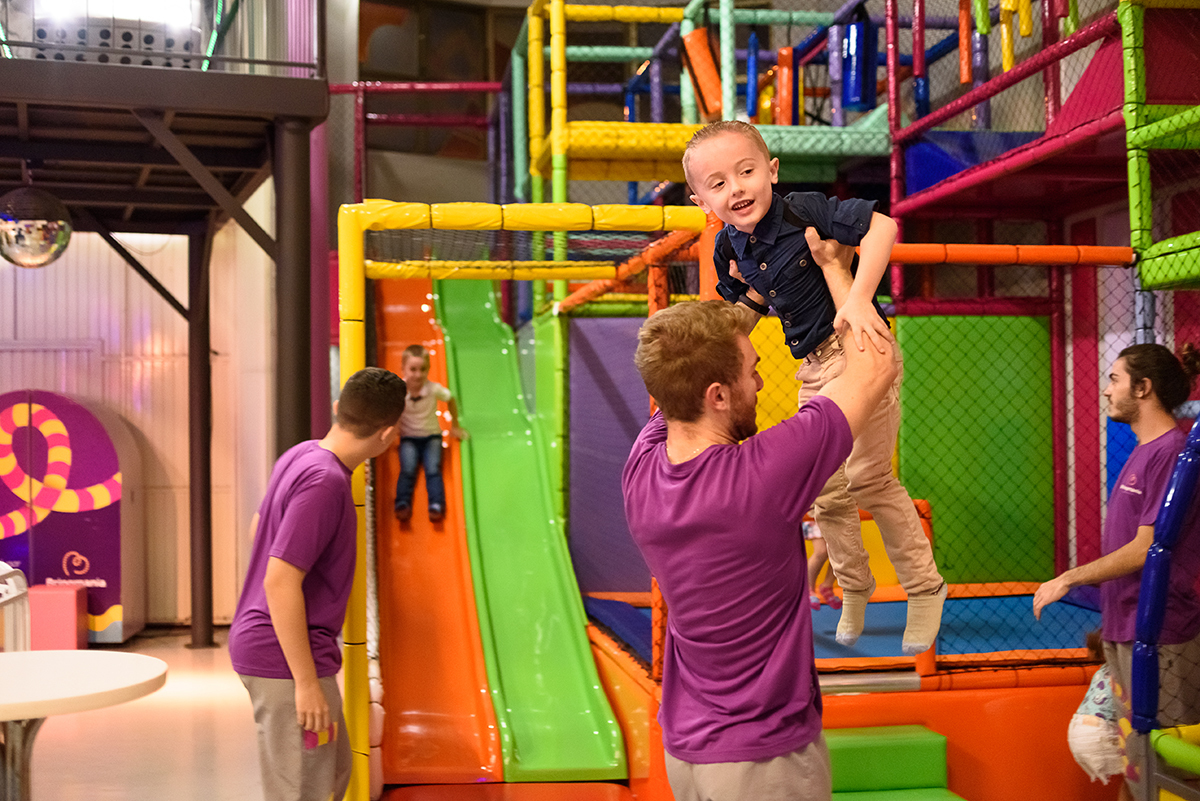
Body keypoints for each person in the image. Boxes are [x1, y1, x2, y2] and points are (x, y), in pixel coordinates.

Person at [681, 119, 946, 654]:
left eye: (747, 172)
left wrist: (856, 298)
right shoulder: (731, 248)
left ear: (771, 171)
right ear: (700, 199)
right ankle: (855, 587)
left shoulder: (805, 209)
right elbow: (750, 305)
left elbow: (884, 229)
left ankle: (925, 588)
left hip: (861, 352)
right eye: (717, 183)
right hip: (814, 369)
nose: (736, 188)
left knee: (869, 478)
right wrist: (712, 351)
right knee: (824, 492)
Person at [622, 288, 897, 801]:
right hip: (763, 761)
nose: (761, 380)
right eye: (752, 370)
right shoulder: (762, 476)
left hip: (686, 750)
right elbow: (877, 367)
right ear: (718, 396)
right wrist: (847, 283)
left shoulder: (642, 467)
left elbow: (682, 373)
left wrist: (743, 302)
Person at [229, 367, 406, 801]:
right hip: (285, 658)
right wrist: (305, 683)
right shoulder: (326, 483)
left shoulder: (302, 454)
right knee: (304, 788)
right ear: (386, 435)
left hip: (278, 648)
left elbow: (260, 529)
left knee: (332, 771)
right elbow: (280, 580)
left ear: (336, 410)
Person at [1033, 343, 1200, 801]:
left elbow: (1147, 548)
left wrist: (1069, 578)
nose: (1106, 390)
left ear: (1143, 388)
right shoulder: (1145, 451)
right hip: (1129, 626)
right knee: (1138, 757)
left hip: (1161, 631)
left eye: (1114, 379)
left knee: (1169, 763)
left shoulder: (1171, 452)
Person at [393, 344, 466, 523]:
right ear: (403, 369)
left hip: (432, 437)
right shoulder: (398, 390)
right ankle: (402, 502)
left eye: (423, 369)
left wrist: (454, 425)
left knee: (433, 470)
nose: (418, 374)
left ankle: (436, 504)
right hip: (408, 437)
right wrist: (391, 432)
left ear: (428, 369)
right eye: (413, 369)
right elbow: (391, 411)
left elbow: (451, 399)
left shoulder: (433, 389)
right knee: (407, 469)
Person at [805, 518, 842, 610]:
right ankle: (809, 589)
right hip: (815, 513)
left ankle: (827, 586)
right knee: (821, 551)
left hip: (837, 513)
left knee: (840, 553)